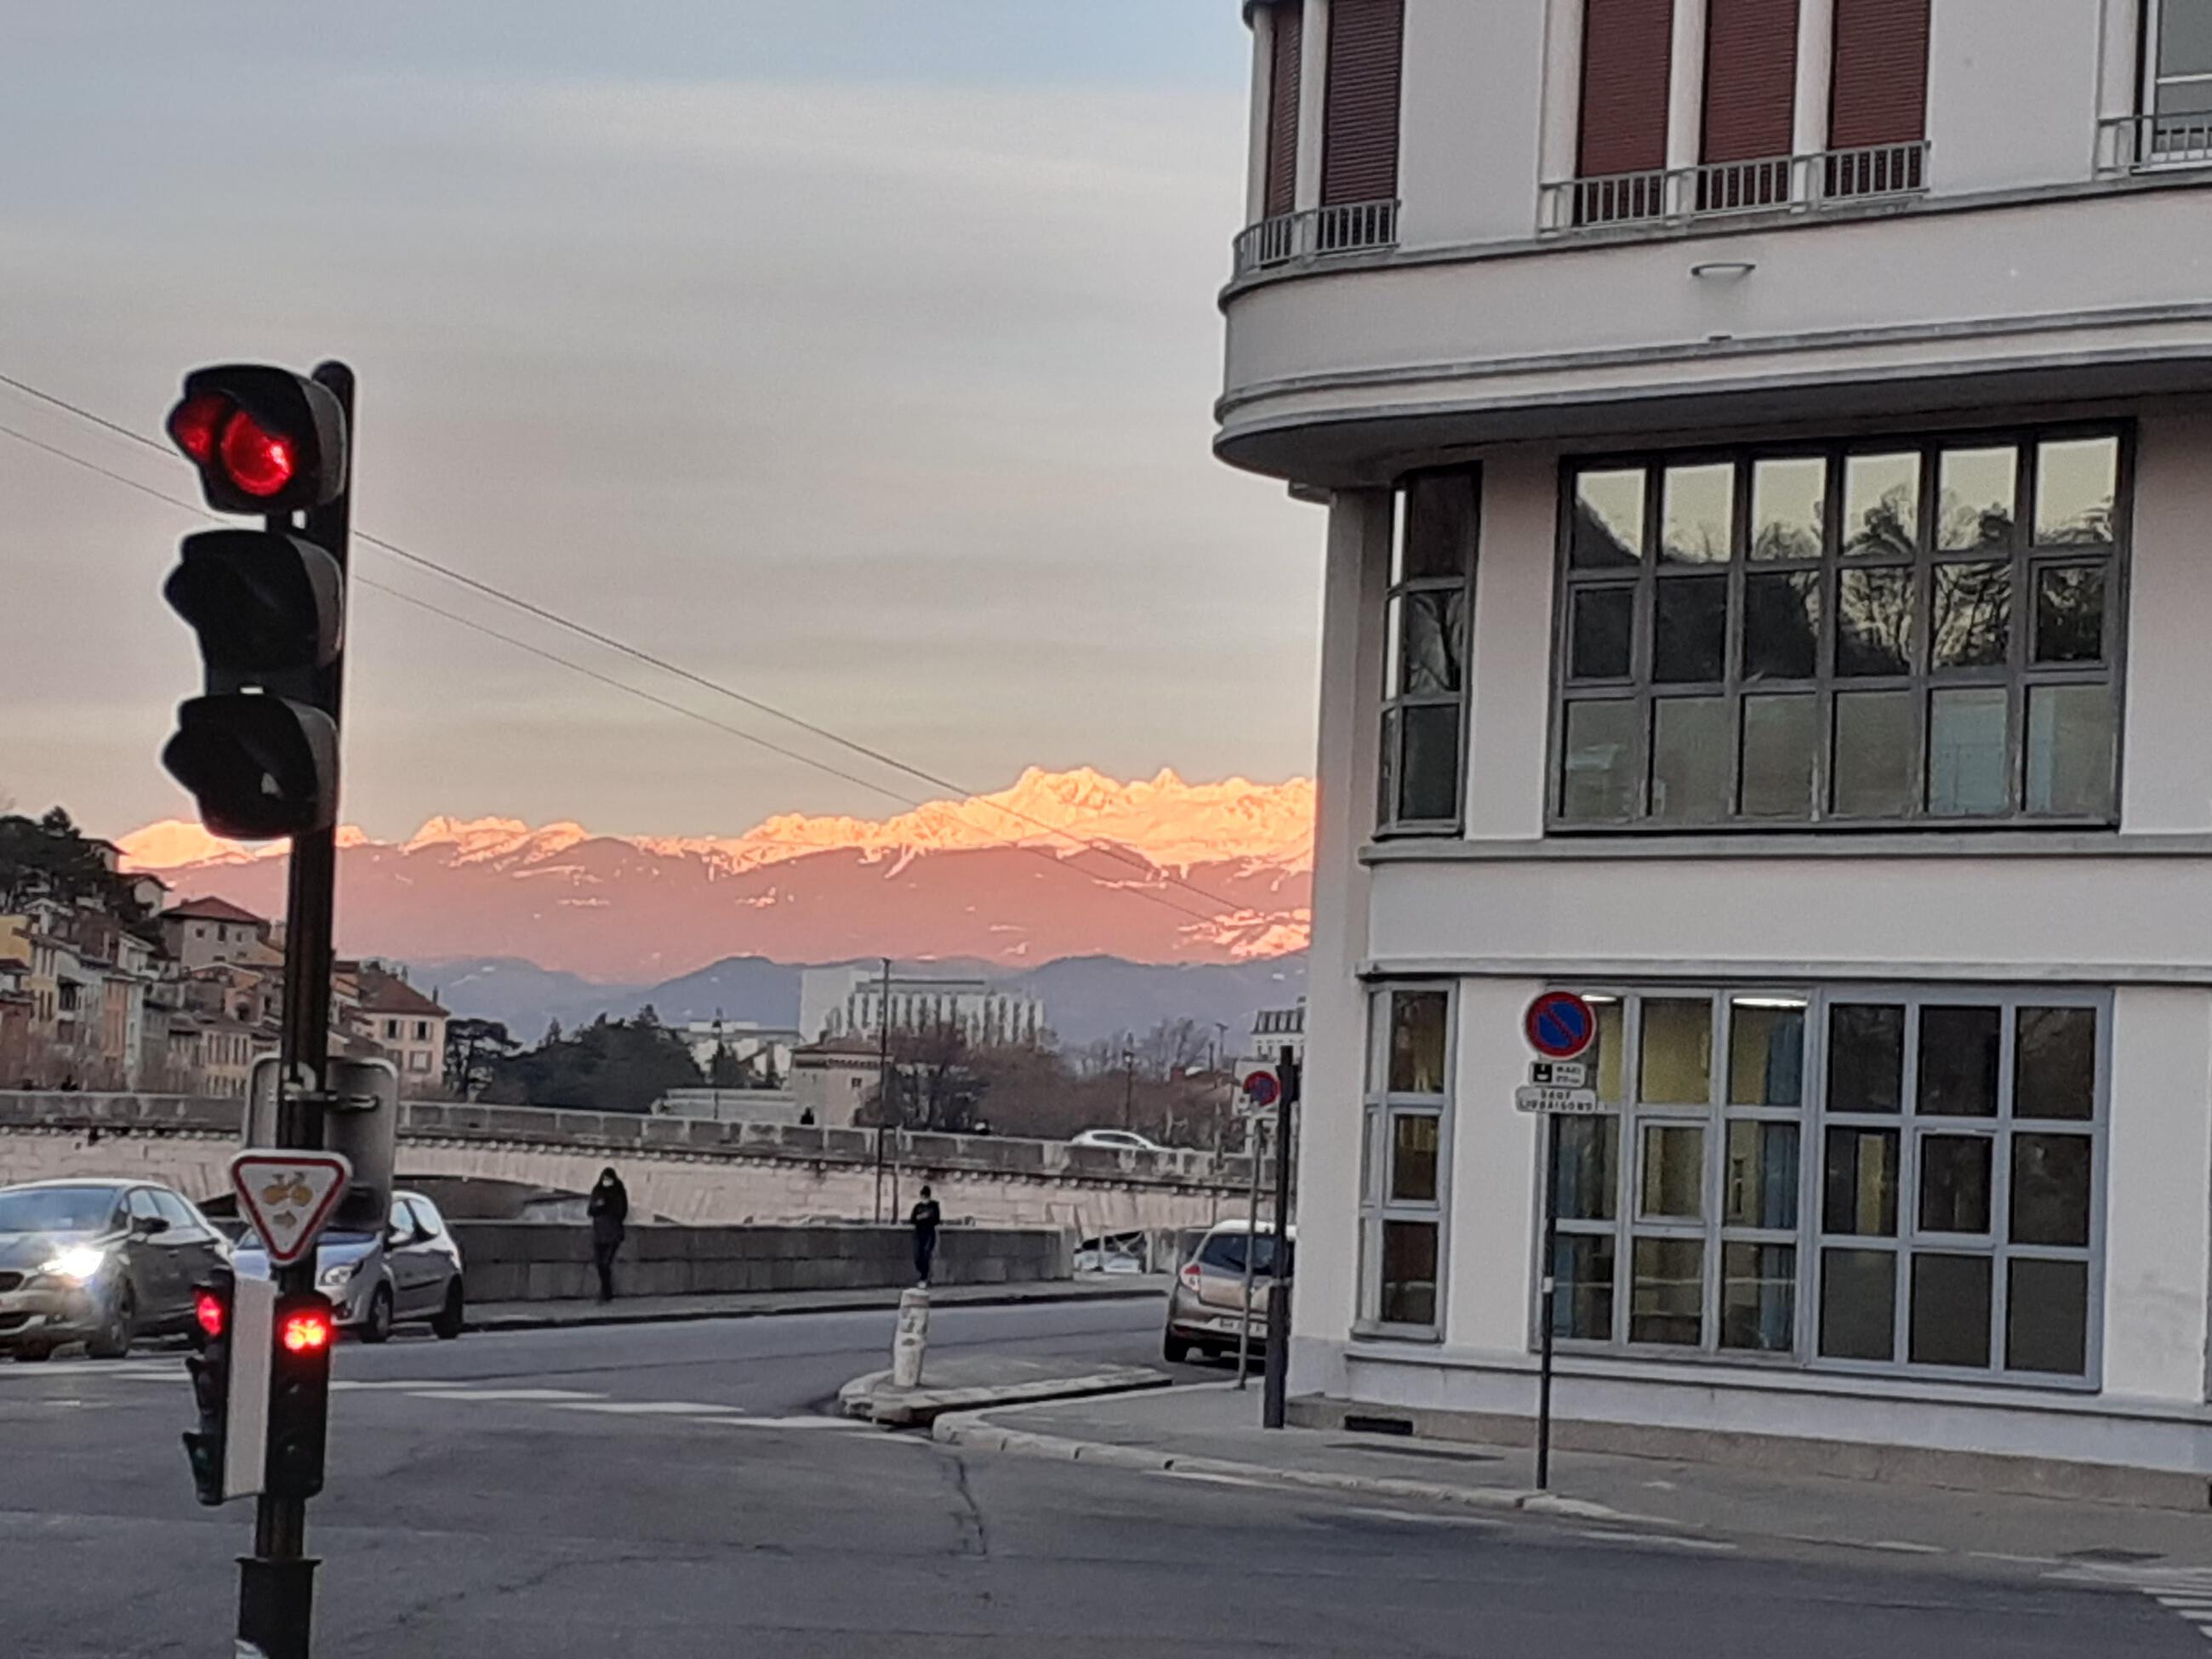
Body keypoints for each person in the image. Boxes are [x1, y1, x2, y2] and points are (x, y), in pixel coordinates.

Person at [587, 1167, 629, 1303]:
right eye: (605, 1178)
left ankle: (606, 1293)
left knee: (605, 1263)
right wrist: (599, 1206)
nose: (606, 1181)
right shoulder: (597, 1190)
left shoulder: (618, 1192)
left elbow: (622, 1211)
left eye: (609, 1178)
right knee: (600, 1263)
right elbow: (590, 1210)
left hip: (613, 1234)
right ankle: (607, 1292)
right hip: (599, 1234)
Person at [909, 1184, 942, 1285]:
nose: (924, 1199)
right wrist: (920, 1217)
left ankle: (924, 1277)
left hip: (929, 1233)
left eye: (925, 1197)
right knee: (918, 1256)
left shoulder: (934, 1206)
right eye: (922, 1197)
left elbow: (937, 1220)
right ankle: (923, 1275)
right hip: (919, 1233)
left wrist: (927, 1217)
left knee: (926, 1254)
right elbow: (912, 1220)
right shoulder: (918, 1207)